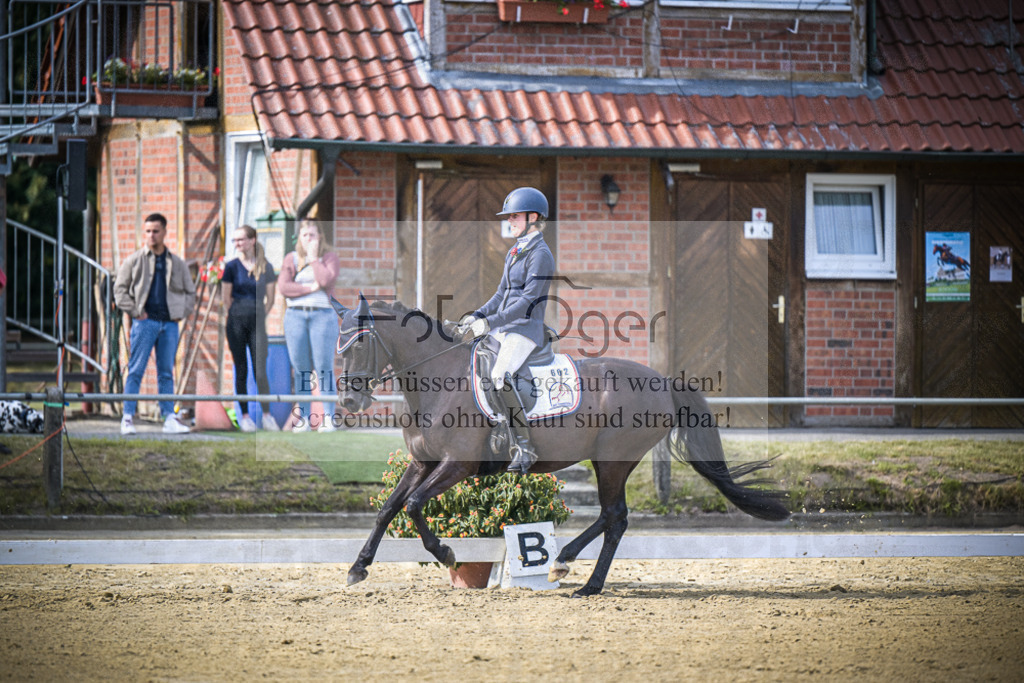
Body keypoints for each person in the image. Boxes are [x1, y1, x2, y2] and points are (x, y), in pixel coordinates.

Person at [457, 187, 555, 474]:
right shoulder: (515, 251)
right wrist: (476, 315)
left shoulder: (541, 255)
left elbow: (527, 301)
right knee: (476, 362)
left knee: (500, 374)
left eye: (514, 216)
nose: (510, 221)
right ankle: (495, 427)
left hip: (525, 329)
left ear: (532, 217)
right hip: (505, 326)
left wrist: (490, 324)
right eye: (509, 216)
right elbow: (501, 294)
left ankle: (525, 447)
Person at [114, 213, 196, 434]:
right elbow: (119, 290)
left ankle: (169, 418)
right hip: (145, 322)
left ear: (164, 232)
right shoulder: (134, 260)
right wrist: (135, 312)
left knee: (166, 372)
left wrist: (180, 313)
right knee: (136, 370)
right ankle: (128, 418)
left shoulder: (176, 263)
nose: (151, 235)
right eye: (148, 231)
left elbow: (191, 292)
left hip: (169, 324)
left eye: (156, 231)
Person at [278, 220, 340, 433]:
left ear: (320, 236)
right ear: (300, 239)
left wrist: (314, 259)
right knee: (301, 369)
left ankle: (329, 418)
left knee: (324, 368)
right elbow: (284, 287)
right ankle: (303, 417)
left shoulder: (328, 258)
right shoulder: (291, 259)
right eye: (305, 236)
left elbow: (325, 280)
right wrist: (309, 288)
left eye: (312, 235)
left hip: (322, 317)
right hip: (295, 317)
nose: (309, 239)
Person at [222, 225, 280, 432]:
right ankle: (245, 416)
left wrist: (257, 313)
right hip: (236, 322)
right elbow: (225, 298)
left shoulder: (266, 267)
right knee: (241, 369)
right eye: (234, 240)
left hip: (257, 323)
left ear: (252, 240)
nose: (237, 244)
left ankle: (267, 415)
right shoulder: (231, 267)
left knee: (260, 370)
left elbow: (271, 299)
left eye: (240, 240)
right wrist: (240, 312)